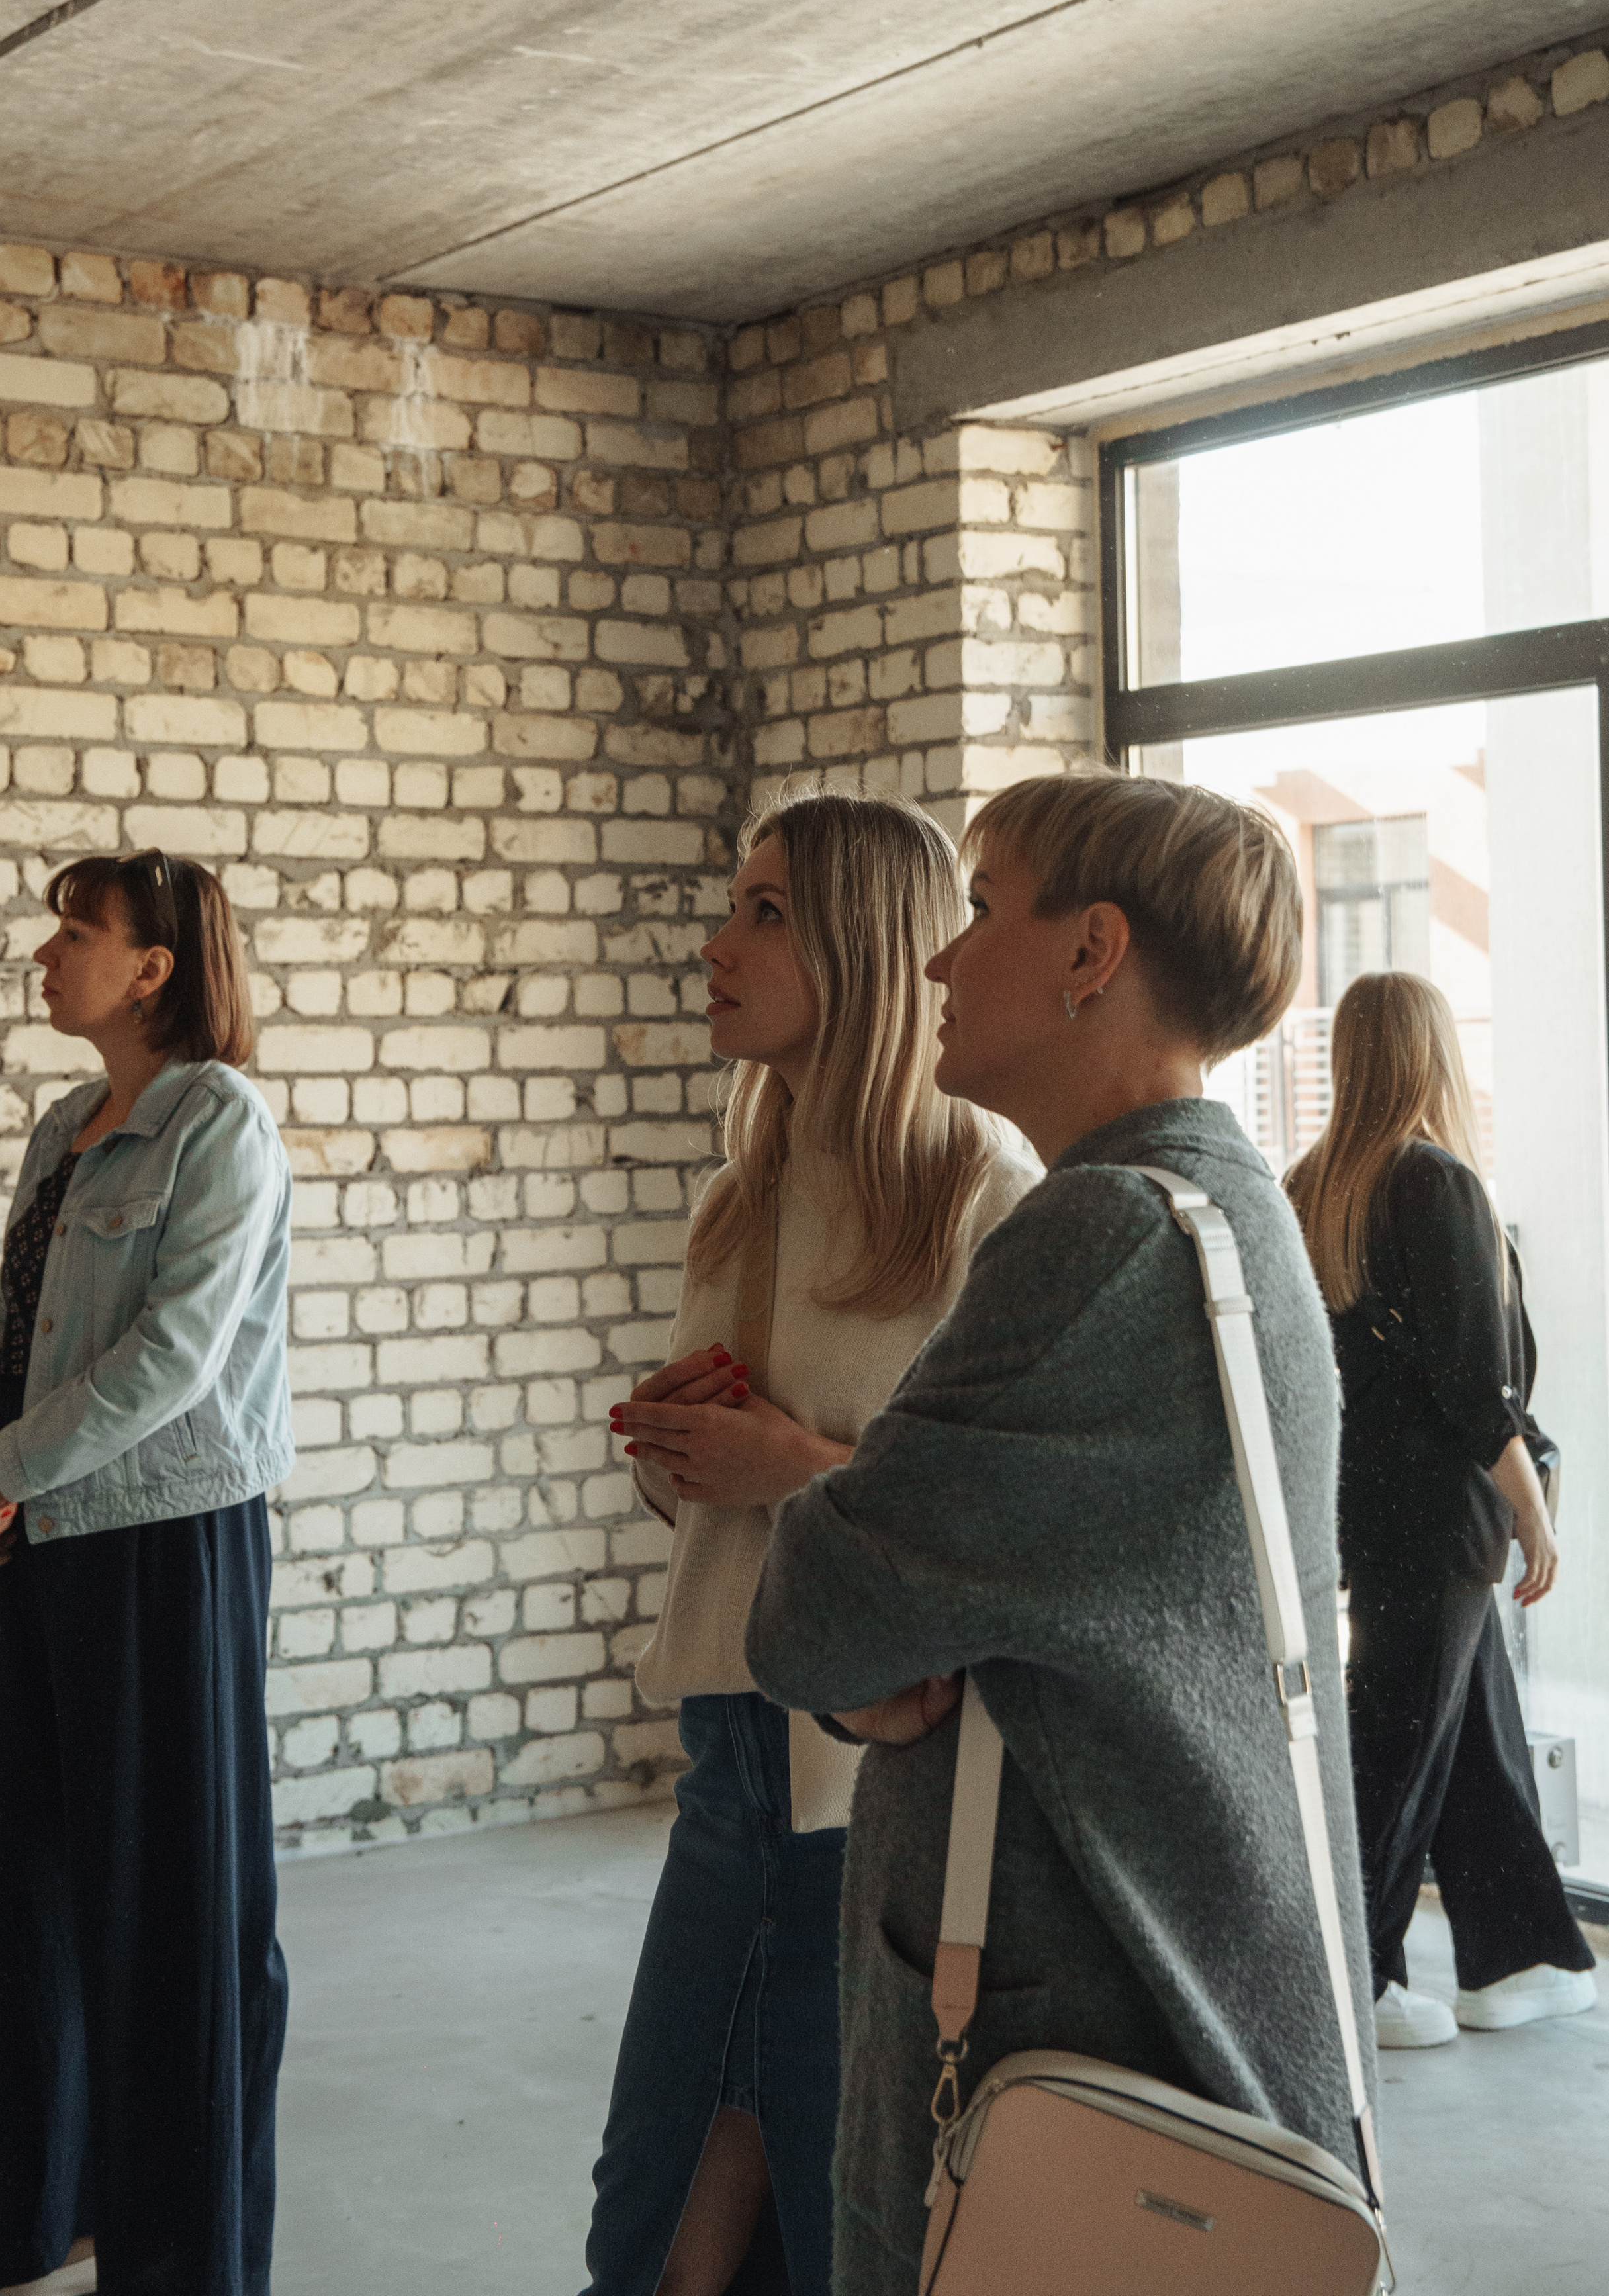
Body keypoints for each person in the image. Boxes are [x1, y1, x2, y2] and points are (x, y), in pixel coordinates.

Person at [745, 768, 1379, 2296]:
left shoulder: (1097, 1238)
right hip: (1164, 1971)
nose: (940, 962)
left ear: (1091, 952)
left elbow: (813, 1613)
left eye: (978, 910)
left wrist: (868, 1641)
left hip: (1065, 2015)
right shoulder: (1219, 1204)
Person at [590, 791, 1036, 2296]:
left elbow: (980, 1525)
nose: (716, 944)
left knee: (831, 2216)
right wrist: (681, 1452)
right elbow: (700, 1517)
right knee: (657, 2191)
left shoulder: (980, 1191)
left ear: (858, 943)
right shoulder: (739, 1198)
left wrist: (790, 1465)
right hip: (728, 1750)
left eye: (764, 912)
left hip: (870, 1786)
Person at [0, 850, 295, 2296]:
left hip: (159, 1543)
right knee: (33, 1896)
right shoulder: (69, 1123)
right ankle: (49, 2236)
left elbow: (178, 1354)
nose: (47, 950)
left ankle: (183, 2265)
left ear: (156, 969)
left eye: (80, 932)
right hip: (31, 1537)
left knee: (176, 1921)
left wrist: (9, 1469)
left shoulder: (222, 1123)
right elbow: (3, 1309)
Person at [1285, 970, 1597, 2050]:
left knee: (1468, 1736)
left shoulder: (1313, 1186)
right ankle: (1353, 1983)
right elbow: (1479, 1389)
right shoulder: (1436, 1183)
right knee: (1400, 1744)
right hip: (1445, 1515)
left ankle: (1521, 1957)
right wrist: (1538, 1517)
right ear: (1434, 1052)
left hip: (1362, 1510)